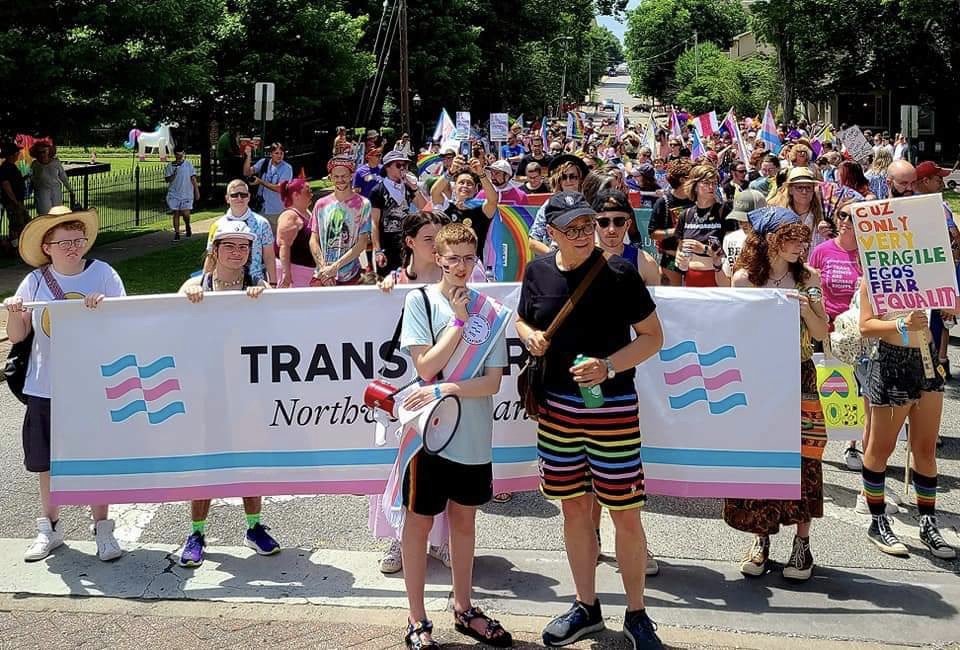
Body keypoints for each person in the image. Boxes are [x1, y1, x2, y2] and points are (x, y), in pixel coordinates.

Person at [516, 191, 664, 649]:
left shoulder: (619, 272)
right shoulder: (537, 271)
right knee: (574, 509)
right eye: (574, 228)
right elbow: (522, 320)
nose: (586, 235)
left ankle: (637, 614)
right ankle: (586, 606)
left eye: (589, 225)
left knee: (625, 513)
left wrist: (610, 366)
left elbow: (653, 337)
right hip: (557, 408)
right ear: (553, 233)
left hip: (612, 407)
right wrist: (532, 336)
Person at [395, 222, 512, 647]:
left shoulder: (492, 311)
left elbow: (492, 382)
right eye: (453, 258)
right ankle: (417, 618)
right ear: (439, 258)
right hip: (429, 436)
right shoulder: (420, 302)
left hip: (473, 436)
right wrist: (458, 324)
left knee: (464, 522)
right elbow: (425, 368)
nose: (461, 266)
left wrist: (450, 387)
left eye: (469, 257)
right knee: (418, 523)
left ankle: (464, 608)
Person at [4, 206, 125, 562]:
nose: (73, 247)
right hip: (46, 385)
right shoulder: (36, 281)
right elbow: (18, 335)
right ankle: (50, 528)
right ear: (47, 247)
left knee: (95, 458)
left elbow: (124, 324)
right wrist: (15, 312)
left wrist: (104, 310)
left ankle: (102, 528)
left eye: (78, 240)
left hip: (91, 385)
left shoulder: (103, 274)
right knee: (47, 462)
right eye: (64, 242)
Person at [725, 207, 829, 582]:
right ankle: (761, 538)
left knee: (806, 456)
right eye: (794, 238)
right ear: (770, 239)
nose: (802, 246)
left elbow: (821, 333)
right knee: (761, 456)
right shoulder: (743, 280)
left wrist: (807, 308)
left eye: (804, 238)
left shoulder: (809, 278)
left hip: (799, 374)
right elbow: (737, 331)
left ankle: (802, 542)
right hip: (759, 376)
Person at [177, 220, 280, 567]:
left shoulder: (257, 288)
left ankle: (253, 527)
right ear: (215, 250)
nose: (237, 253)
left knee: (248, 461)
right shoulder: (195, 285)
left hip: (246, 390)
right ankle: (196, 533)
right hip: (205, 390)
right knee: (204, 464)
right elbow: (170, 331)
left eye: (243, 247)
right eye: (229, 246)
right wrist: (188, 302)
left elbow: (278, 332)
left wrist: (262, 302)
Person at [858, 272, 956, 560]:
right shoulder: (875, 275)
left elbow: (953, 309)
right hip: (892, 361)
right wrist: (901, 323)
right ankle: (877, 522)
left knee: (925, 449)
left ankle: (927, 522)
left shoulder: (931, 273)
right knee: (881, 448)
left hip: (927, 361)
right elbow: (865, 325)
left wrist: (950, 305)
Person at [309, 156, 372, 286]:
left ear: (351, 176)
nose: (340, 180)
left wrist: (334, 268)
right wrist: (324, 269)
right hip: (322, 275)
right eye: (336, 177)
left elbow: (362, 243)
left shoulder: (363, 204)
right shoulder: (320, 204)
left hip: (350, 275)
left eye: (344, 176)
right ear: (330, 178)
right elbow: (313, 239)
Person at [205, 179, 276, 286]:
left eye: (243, 195)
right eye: (234, 195)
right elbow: (211, 256)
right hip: (223, 283)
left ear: (249, 197)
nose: (239, 198)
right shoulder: (217, 225)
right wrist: (204, 282)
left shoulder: (262, 223)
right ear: (227, 198)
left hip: (254, 283)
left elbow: (269, 256)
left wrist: (273, 282)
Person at [370, 150, 426, 279]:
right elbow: (374, 222)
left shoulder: (407, 188)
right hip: (387, 245)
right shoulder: (378, 190)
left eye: (405, 165)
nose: (403, 169)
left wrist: (414, 188)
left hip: (407, 244)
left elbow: (424, 207)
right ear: (387, 167)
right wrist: (378, 250)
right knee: (387, 281)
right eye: (398, 165)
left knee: (408, 278)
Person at [673, 164, 731, 287]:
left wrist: (705, 249)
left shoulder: (724, 210)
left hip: (718, 276)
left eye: (714, 183)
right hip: (690, 277)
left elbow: (731, 250)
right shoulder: (686, 214)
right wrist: (679, 258)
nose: (711, 187)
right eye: (705, 183)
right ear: (694, 186)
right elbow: (680, 246)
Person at [431, 157, 498, 261]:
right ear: (454, 187)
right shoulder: (447, 207)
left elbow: (493, 200)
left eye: (469, 183)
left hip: (473, 266)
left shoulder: (480, 210)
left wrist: (481, 174)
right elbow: (435, 192)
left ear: (476, 189)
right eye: (461, 182)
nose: (465, 186)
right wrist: (450, 171)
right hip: (448, 265)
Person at [592, 189, 660, 286]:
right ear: (594, 224)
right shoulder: (581, 260)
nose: (611, 229)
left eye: (619, 222)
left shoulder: (645, 263)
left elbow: (655, 299)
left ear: (628, 224)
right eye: (604, 222)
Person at [530, 154, 589, 256]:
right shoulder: (549, 205)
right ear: (558, 180)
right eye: (564, 177)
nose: (568, 181)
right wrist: (556, 257)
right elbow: (532, 241)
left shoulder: (590, 203)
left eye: (573, 177)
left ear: (580, 179)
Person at [648, 158, 694, 286]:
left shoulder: (698, 200)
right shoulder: (663, 202)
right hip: (671, 258)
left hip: (696, 259)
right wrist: (675, 231)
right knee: (673, 296)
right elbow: (652, 233)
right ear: (683, 180)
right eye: (693, 177)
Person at [769, 167, 829, 249]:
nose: (804, 192)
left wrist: (828, 237)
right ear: (790, 190)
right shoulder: (779, 216)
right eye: (800, 187)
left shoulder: (822, 216)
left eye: (808, 188)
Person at [274, 178, 315, 288]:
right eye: (308, 192)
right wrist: (286, 274)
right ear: (296, 195)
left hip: (307, 272)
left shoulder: (307, 213)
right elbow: (284, 245)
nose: (311, 195)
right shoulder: (290, 216)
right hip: (294, 273)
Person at [720, 189, 765, 285]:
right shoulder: (731, 239)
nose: (742, 223)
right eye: (739, 218)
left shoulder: (772, 241)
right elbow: (728, 278)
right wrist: (716, 266)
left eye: (746, 219)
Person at [243, 142, 294, 220]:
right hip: (260, 209)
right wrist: (248, 156)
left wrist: (261, 182)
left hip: (276, 211)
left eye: (281, 153)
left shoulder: (287, 168)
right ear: (271, 154)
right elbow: (246, 172)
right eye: (276, 153)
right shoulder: (264, 162)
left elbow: (280, 188)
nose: (279, 156)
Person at [29, 141, 76, 216]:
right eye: (39, 152)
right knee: (45, 215)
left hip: (56, 191)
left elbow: (63, 176)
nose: (42, 154)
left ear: (49, 151)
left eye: (44, 152)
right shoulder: (35, 164)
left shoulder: (56, 162)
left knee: (58, 215)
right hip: (42, 192)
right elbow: (31, 178)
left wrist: (70, 189)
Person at [163, 148, 199, 241]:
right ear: (175, 155)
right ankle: (177, 233)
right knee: (176, 212)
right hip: (174, 193)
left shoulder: (188, 165)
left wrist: (196, 191)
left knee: (186, 213)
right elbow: (167, 179)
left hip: (186, 193)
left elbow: (193, 178)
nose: (179, 156)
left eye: (181, 154)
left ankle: (187, 225)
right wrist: (173, 174)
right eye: (177, 154)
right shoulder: (170, 166)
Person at [0, 141, 29, 248]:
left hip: (17, 200)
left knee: (22, 222)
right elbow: (6, 185)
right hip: (13, 202)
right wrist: (15, 201)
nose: (18, 155)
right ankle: (15, 247)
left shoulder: (11, 167)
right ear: (12, 155)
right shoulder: (6, 168)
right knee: (16, 225)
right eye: (17, 153)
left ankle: (18, 246)